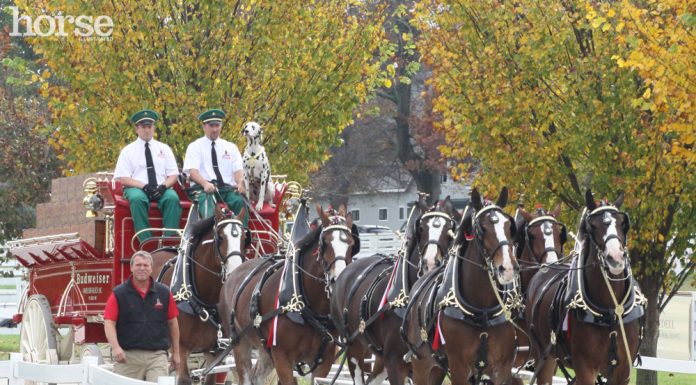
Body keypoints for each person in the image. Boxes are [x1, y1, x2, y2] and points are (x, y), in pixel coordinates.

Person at [104, 251, 180, 382]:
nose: (142, 268)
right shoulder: (119, 294)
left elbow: (173, 323)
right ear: (131, 268)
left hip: (157, 356)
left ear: (151, 268)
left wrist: (176, 353)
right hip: (127, 357)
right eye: (138, 265)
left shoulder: (164, 293)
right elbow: (109, 323)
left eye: (146, 265)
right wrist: (116, 348)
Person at [113, 109, 182, 242]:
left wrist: (163, 187)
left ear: (154, 127)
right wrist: (144, 186)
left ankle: (170, 241)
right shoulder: (127, 151)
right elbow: (123, 178)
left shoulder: (164, 148)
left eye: (149, 127)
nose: (147, 130)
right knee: (138, 199)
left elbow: (173, 175)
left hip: (161, 187)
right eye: (143, 127)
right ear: (136, 129)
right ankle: (146, 241)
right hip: (136, 188)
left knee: (172, 198)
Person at [183, 109, 248, 225]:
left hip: (226, 189)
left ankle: (242, 237)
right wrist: (205, 184)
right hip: (203, 189)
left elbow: (238, 170)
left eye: (217, 125)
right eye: (211, 125)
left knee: (240, 201)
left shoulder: (231, 147)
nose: (215, 129)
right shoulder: (195, 146)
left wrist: (240, 184)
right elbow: (193, 173)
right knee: (208, 203)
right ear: (204, 126)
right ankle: (212, 237)